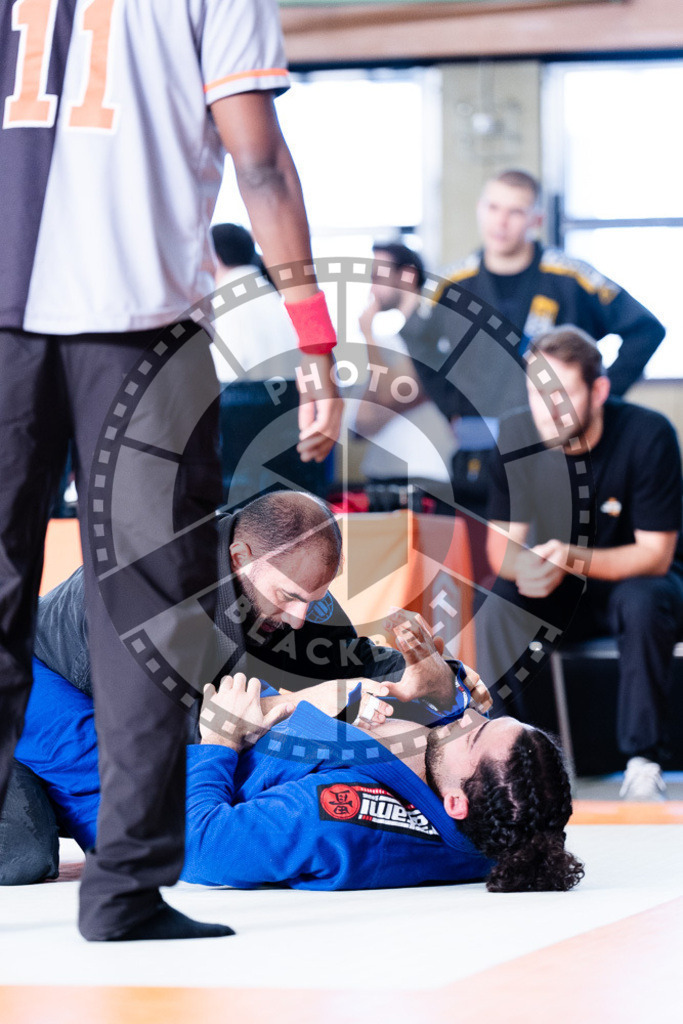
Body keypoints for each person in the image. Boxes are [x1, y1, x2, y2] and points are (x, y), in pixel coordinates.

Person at [0, 0, 341, 942]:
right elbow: (259, 160)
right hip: (140, 320)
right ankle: (124, 896)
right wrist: (313, 341)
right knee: (147, 614)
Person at [10, 636, 584, 894]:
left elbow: (206, 849)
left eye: (477, 728)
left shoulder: (352, 822)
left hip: (139, 783)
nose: (465, 719)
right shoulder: (485, 815)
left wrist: (220, 740)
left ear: (457, 801)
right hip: (230, 717)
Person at [476, 326, 683, 800]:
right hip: (560, 588)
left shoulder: (647, 434)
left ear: (599, 390)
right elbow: (501, 552)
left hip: (640, 583)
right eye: (536, 393)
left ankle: (643, 762)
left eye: (563, 394)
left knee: (643, 599)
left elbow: (655, 555)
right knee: (498, 598)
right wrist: (524, 570)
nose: (548, 410)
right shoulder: (516, 434)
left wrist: (572, 557)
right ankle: (516, 761)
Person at [400, 169, 665, 516]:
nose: (501, 222)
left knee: (564, 554)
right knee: (481, 561)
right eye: (493, 207)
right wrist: (450, 404)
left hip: (559, 446)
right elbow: (417, 341)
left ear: (536, 219)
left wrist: (601, 398)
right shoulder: (450, 285)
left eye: (516, 211)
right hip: (480, 450)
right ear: (480, 209)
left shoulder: (572, 278)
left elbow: (646, 329)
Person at [352, 243, 454, 502]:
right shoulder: (395, 340)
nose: (372, 288)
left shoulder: (432, 331)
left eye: (378, 276)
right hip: (386, 473)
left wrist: (368, 336)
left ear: (407, 276)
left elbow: (389, 397)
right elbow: (362, 423)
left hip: (423, 474)